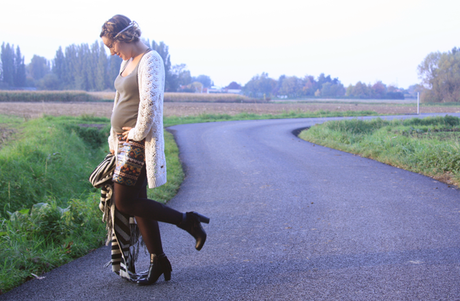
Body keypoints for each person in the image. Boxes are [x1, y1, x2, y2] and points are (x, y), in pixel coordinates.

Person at [100, 14, 209, 286]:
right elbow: (120, 103)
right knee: (138, 205)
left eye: (112, 45)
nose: (111, 52)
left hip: (138, 144)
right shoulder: (126, 61)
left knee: (124, 201)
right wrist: (114, 140)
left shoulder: (151, 60)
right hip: (123, 144)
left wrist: (134, 134)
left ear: (123, 37)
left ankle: (188, 221)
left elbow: (150, 105)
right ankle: (158, 260)